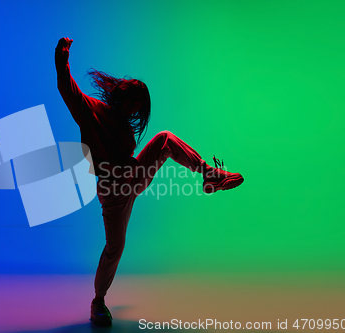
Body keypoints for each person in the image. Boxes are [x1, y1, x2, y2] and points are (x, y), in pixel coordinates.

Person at [55, 37, 244, 327]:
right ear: (122, 95)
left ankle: (209, 175)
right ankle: (98, 301)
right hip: (114, 193)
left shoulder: (127, 130)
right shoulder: (92, 111)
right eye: (133, 101)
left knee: (165, 139)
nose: (135, 109)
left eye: (139, 106)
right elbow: (66, 89)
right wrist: (62, 58)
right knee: (115, 247)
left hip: (134, 177)